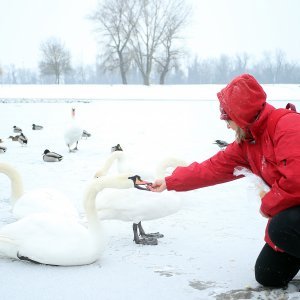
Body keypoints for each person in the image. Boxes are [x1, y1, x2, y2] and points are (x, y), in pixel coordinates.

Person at [149, 73, 300, 288]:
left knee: (281, 227)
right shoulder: (248, 143)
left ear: (242, 114)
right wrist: (170, 181)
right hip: (294, 218)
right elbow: (212, 168)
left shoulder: (288, 126)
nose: (226, 124)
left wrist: (267, 204)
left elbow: (296, 182)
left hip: (291, 218)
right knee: (269, 275)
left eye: (227, 118)